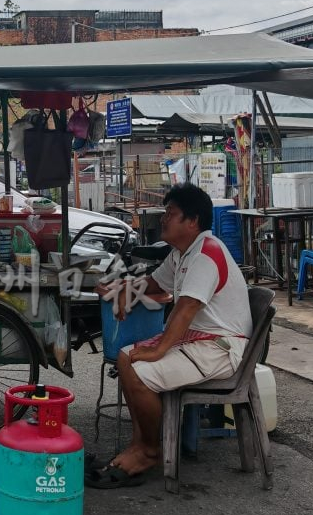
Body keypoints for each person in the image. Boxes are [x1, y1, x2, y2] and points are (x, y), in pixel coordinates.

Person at [86, 183, 253, 489]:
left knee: (138, 368)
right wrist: (123, 287)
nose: (164, 219)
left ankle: (149, 451)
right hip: (200, 341)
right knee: (125, 357)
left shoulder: (206, 252)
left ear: (193, 221)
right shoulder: (182, 254)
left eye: (171, 213)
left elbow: (187, 306)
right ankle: (140, 444)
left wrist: (160, 348)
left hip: (219, 347)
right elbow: (154, 283)